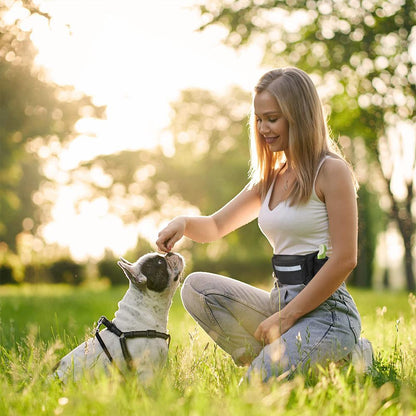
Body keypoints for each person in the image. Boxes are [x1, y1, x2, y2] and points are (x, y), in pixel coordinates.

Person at [156, 67, 372, 381]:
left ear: (299, 116)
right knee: (197, 289)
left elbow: (345, 259)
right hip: (279, 300)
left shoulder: (331, 170)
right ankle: (288, 361)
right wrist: (183, 223)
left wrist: (286, 319)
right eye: (258, 119)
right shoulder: (271, 178)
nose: (263, 129)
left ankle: (332, 355)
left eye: (272, 119)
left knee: (255, 387)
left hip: (327, 313)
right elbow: (216, 226)